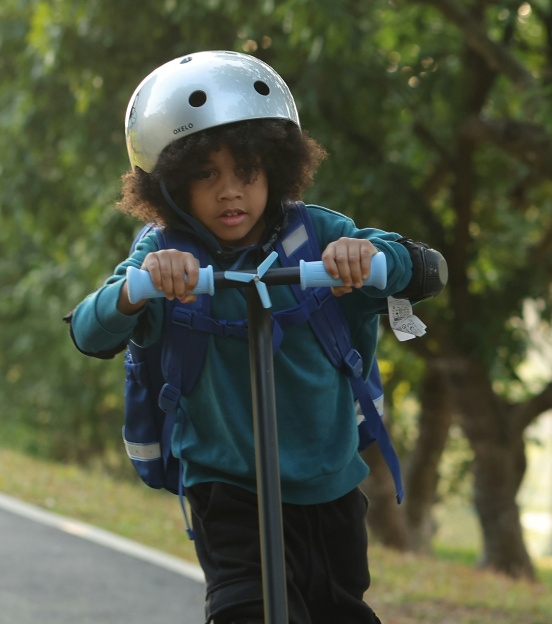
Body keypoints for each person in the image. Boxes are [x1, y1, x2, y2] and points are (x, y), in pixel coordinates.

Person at [68, 50, 413, 624]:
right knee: (246, 611)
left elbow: (416, 268)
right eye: (206, 174)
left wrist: (370, 256)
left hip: (328, 483)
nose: (231, 192)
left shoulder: (321, 232)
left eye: (247, 171)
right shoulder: (163, 252)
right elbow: (89, 329)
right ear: (169, 185)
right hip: (226, 486)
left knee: (340, 611)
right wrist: (139, 288)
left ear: (278, 167)